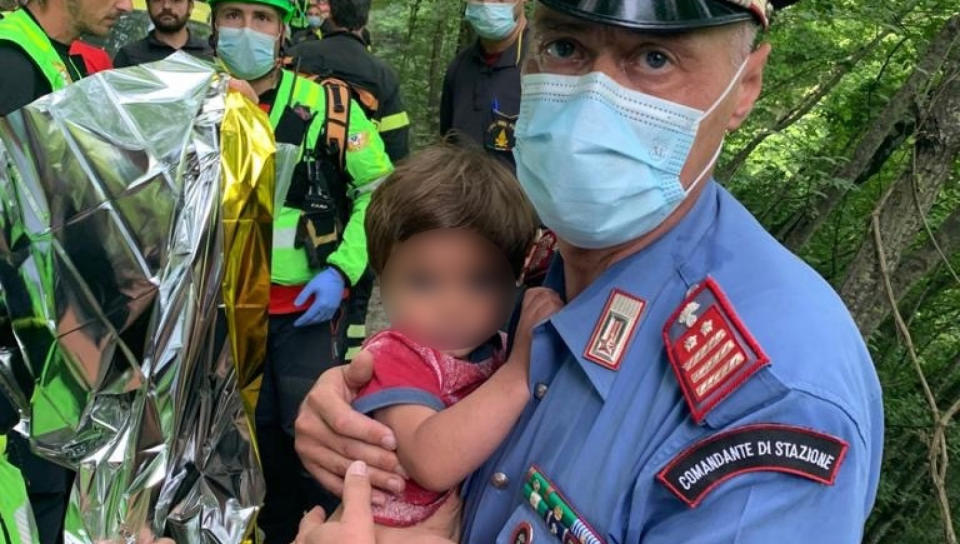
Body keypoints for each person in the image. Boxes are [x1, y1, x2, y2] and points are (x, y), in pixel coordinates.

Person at [294, 0, 885, 542]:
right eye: (566, 47)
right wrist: (359, 425)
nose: (593, 96)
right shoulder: (547, 258)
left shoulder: (772, 398)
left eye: (654, 58)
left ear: (745, 85)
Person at [207, 0, 393, 540]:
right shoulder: (190, 97)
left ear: (283, 29)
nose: (247, 31)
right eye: (233, 15)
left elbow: (379, 187)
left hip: (302, 312)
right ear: (214, 23)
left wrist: (344, 269)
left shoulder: (327, 105)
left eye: (262, 18)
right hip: (215, 316)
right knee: (235, 437)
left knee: (311, 436)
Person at [336, 143, 557, 542]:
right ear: (381, 280)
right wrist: (519, 372)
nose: (452, 307)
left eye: (480, 281)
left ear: (515, 280)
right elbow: (431, 460)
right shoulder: (395, 358)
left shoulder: (496, 347)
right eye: (424, 282)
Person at [0, 0, 130, 540]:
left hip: (60, 329)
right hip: (22, 341)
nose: (126, 5)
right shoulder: (11, 62)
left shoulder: (68, 63)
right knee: (33, 493)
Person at [288, 0, 411, 363]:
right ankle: (350, 367)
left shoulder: (297, 57)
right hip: (360, 211)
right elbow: (395, 156)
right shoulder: (380, 74)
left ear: (331, 15)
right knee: (355, 303)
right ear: (365, 19)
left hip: (304, 206)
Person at [440, 0, 528, 168]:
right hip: (463, 190)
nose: (487, 4)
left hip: (519, 194)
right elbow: (447, 144)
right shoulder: (459, 66)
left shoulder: (543, 65)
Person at [113, 0, 214, 68]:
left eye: (176, 0)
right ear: (148, 5)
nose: (166, 6)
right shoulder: (128, 56)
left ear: (190, 7)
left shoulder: (211, 55)